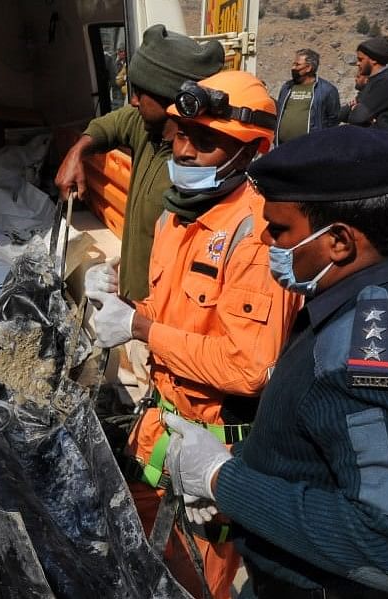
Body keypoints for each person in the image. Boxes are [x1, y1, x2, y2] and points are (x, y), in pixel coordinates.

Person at [165, 125, 388, 599]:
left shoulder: (366, 356)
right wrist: (238, 476)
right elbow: (322, 449)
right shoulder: (369, 297)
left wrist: (222, 479)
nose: (265, 238)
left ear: (339, 241)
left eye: (280, 229)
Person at [85, 71, 303, 599]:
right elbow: (170, 315)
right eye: (181, 134)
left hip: (215, 449)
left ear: (252, 152)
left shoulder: (256, 235)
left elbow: (249, 366)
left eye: (206, 143)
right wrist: (122, 306)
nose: (184, 151)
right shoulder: (177, 218)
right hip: (160, 428)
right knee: (140, 560)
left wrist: (138, 326)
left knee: (196, 582)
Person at [58, 24, 224, 303]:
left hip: (159, 317)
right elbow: (109, 125)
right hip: (133, 302)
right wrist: (76, 153)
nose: (132, 101)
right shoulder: (147, 127)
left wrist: (139, 320)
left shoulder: (199, 167)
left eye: (139, 93)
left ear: (169, 99)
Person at [274, 48, 340, 145]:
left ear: (308, 68)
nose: (293, 67)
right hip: (282, 148)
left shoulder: (327, 90)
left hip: (310, 148)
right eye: (293, 64)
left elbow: (334, 120)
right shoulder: (287, 87)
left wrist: (322, 142)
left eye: (297, 64)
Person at [340, 36, 388, 133]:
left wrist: (355, 109)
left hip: (378, 142)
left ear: (373, 60)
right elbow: (343, 114)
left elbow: (358, 116)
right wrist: (355, 109)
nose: (358, 63)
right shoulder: (373, 80)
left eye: (361, 59)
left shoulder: (386, 81)